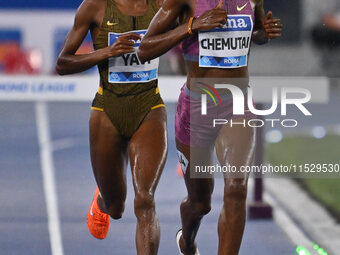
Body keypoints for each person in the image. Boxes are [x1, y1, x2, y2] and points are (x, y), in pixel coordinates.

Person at [138, 0, 282, 254]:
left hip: (236, 105)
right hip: (195, 109)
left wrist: (263, 33)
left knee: (237, 189)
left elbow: (256, 33)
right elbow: (145, 49)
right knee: (200, 203)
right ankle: (188, 240)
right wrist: (192, 26)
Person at [56, 0, 167, 254]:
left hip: (149, 107)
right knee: (116, 208)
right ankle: (103, 200)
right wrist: (107, 51)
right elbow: (62, 63)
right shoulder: (94, 7)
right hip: (107, 110)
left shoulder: (162, 4)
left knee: (145, 201)